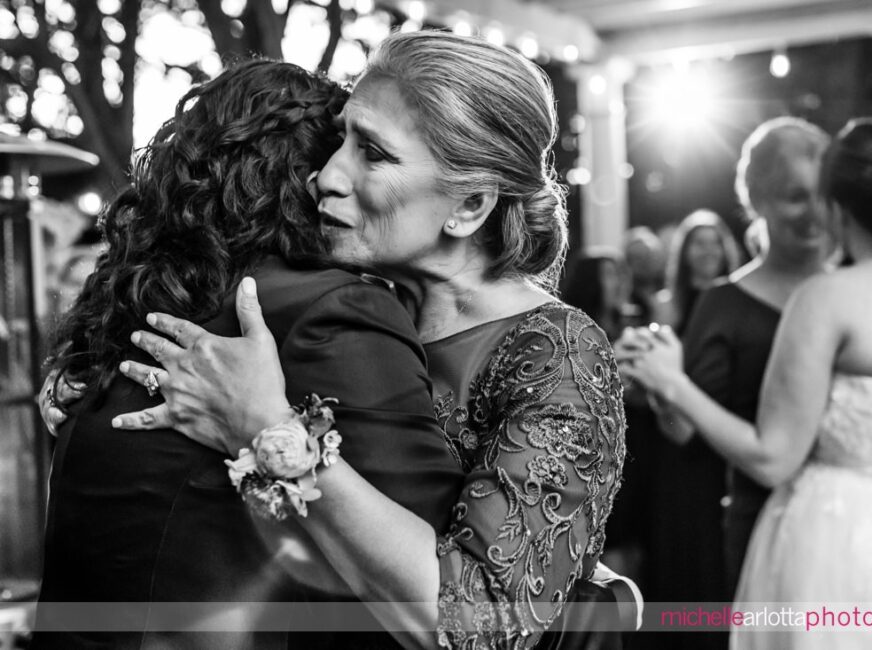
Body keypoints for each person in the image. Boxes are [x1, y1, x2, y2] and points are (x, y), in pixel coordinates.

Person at [97, 31, 628, 649]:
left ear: (471, 204)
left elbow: (483, 626)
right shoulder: (352, 305)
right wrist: (96, 383)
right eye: (339, 139)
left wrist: (273, 432)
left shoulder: (556, 353)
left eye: (372, 154)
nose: (325, 175)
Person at [32, 59, 466, 650]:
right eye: (345, 150)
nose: (341, 178)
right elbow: (452, 600)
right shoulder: (328, 311)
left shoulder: (137, 312)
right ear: (309, 172)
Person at [621, 118, 872, 648]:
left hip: (837, 551)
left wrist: (671, 382)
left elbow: (774, 456)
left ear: (839, 206)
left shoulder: (829, 298)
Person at [638, 117, 834, 596]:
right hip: (761, 522)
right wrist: (666, 387)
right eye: (795, 196)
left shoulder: (857, 286)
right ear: (758, 200)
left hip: (854, 525)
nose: (814, 213)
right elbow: (684, 431)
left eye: (823, 195)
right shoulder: (724, 304)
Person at [653, 209, 740, 333]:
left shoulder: (736, 303)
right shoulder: (666, 305)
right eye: (700, 243)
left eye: (715, 243)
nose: (709, 250)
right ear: (684, 251)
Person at [561, 248, 631, 342]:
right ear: (590, 282)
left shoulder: (627, 327)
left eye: (618, 274)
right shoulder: (571, 333)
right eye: (609, 274)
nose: (618, 283)